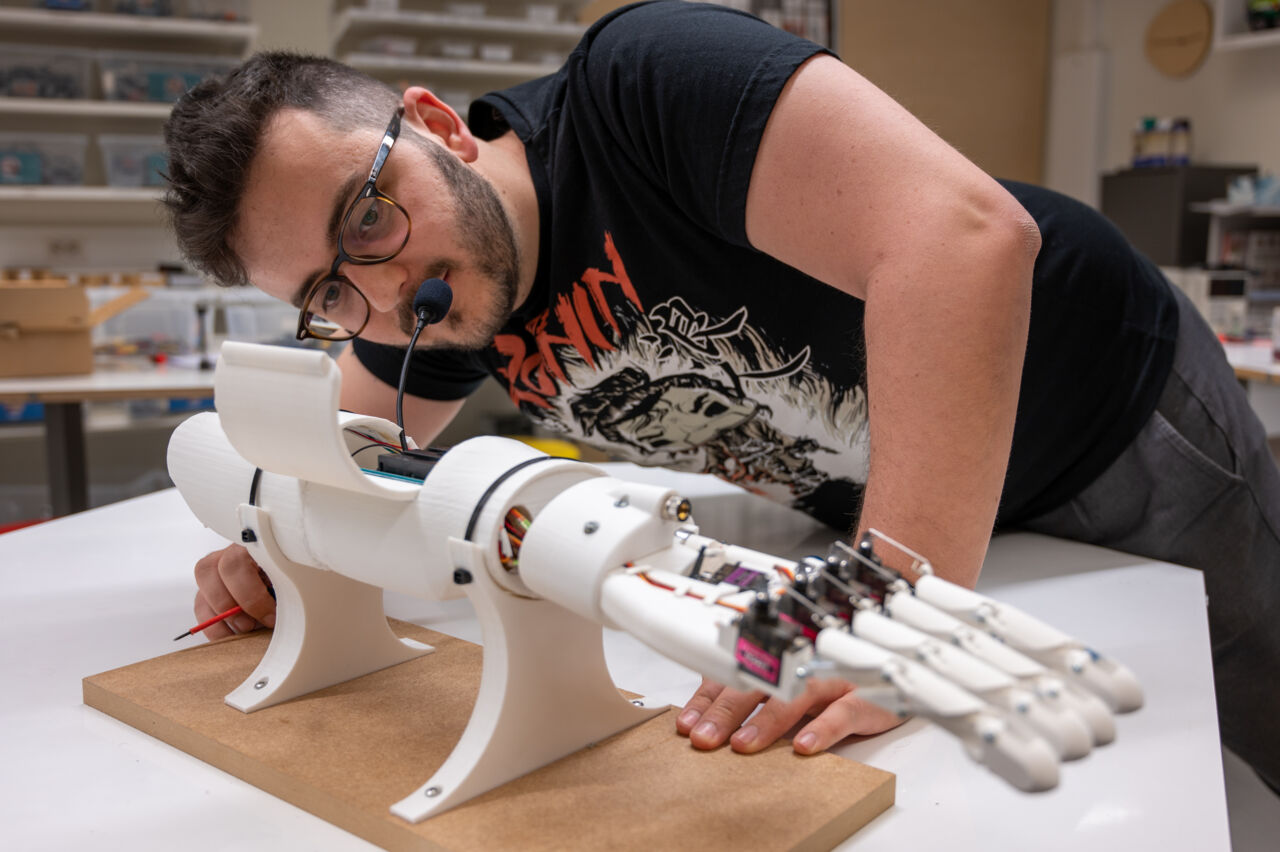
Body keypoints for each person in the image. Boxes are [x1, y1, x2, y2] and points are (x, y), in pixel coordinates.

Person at [164, 1, 1280, 791]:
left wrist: (888, 612)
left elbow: (964, 238)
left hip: (1104, 413)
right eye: (326, 289)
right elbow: (348, 458)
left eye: (368, 212)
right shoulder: (446, 300)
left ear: (439, 127)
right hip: (912, 501)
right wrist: (284, 544)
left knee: (1254, 680)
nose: (383, 283)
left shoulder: (641, 82)